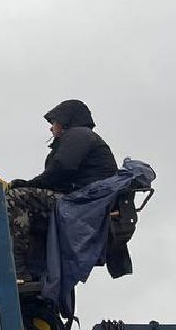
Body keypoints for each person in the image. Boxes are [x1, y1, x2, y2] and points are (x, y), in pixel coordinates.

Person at [7, 100, 117, 281]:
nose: (51, 129)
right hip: (82, 202)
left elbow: (61, 168)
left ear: (67, 121)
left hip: (81, 204)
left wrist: (29, 185)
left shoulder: (78, 135)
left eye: (54, 123)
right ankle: (36, 274)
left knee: (17, 198)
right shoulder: (79, 138)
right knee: (29, 207)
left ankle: (16, 269)